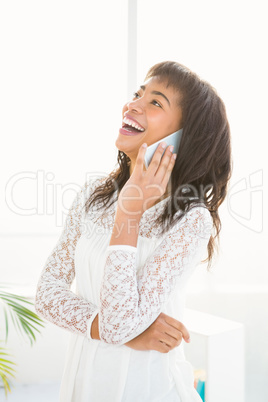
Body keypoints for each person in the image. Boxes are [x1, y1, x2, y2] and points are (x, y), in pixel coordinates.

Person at [35, 61, 232, 402]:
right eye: (137, 94)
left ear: (185, 137)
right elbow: (47, 294)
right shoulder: (92, 195)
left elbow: (118, 324)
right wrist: (117, 330)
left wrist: (130, 212)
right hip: (84, 381)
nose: (133, 105)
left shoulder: (190, 220)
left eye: (156, 102)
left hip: (147, 388)